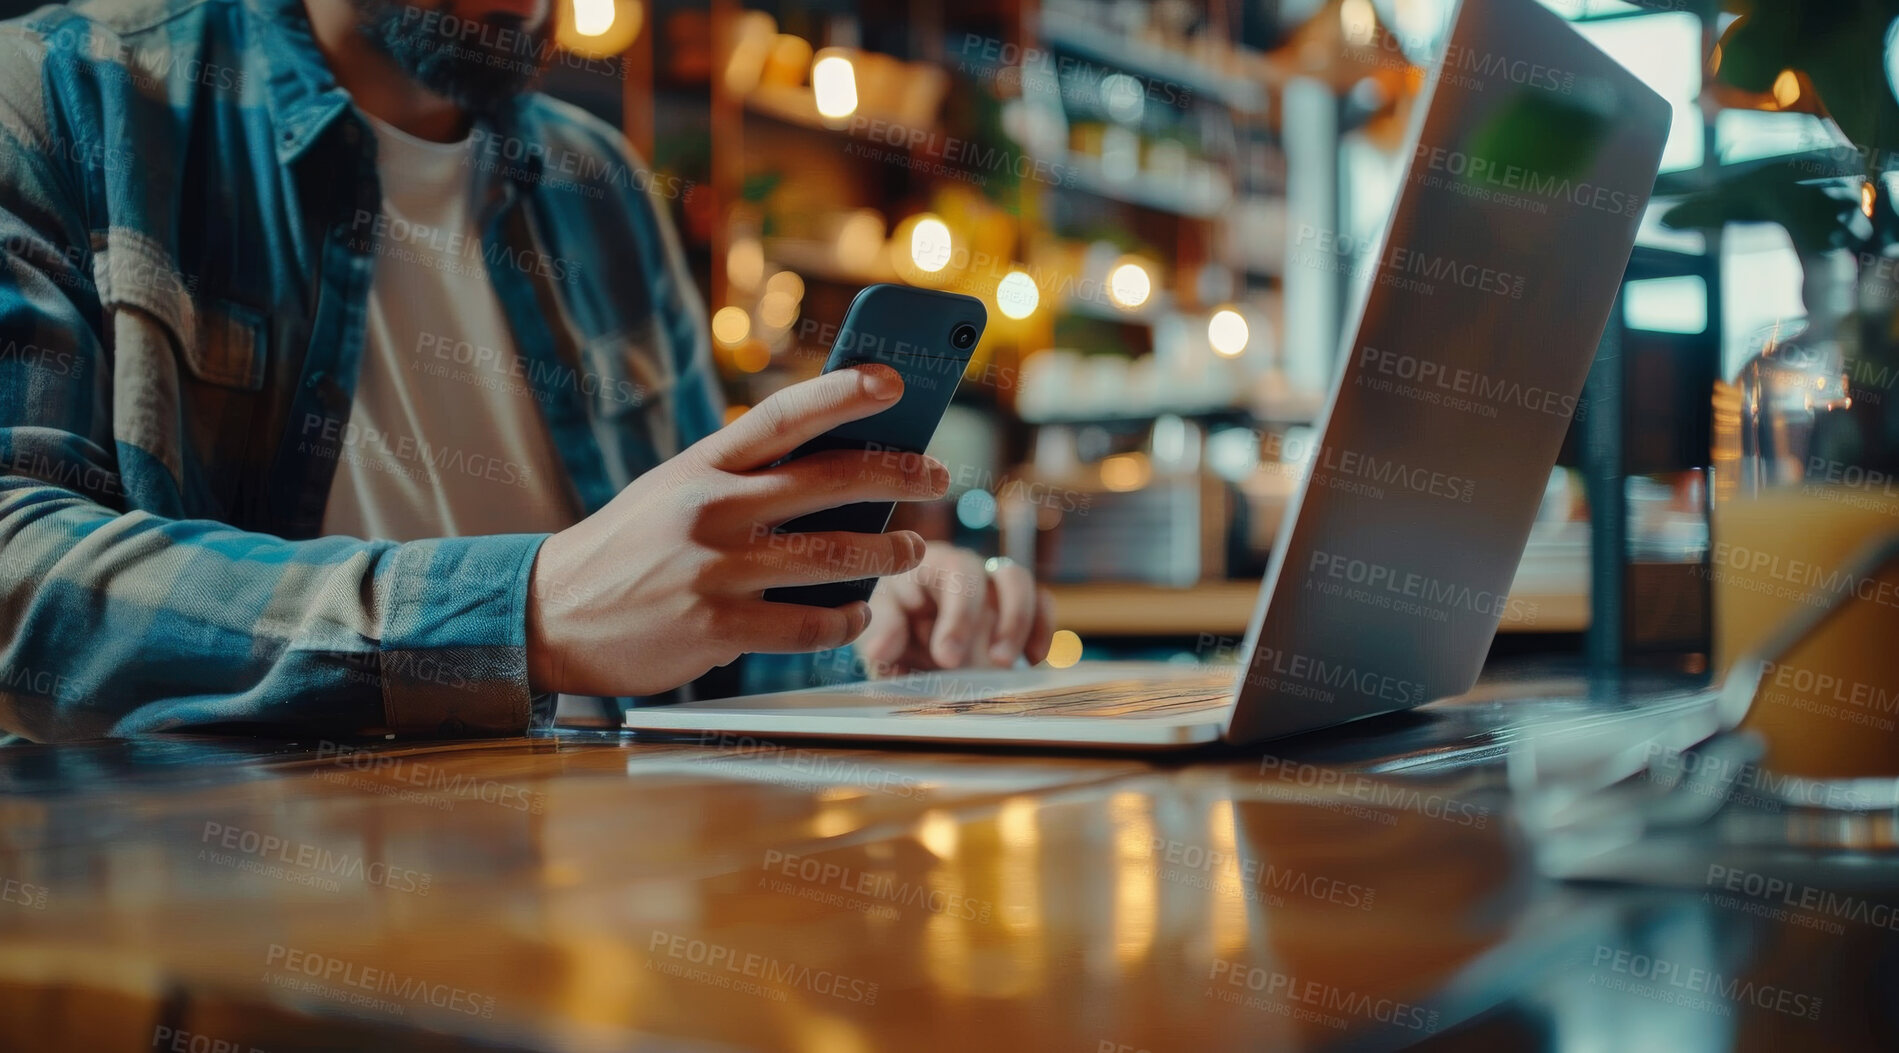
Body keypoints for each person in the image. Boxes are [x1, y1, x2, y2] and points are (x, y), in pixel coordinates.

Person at [0, 0, 1053, 743]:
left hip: (624, 904)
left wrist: (850, 645)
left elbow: (703, 631)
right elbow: (18, 577)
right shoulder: (63, 97)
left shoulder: (602, 192)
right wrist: (523, 616)